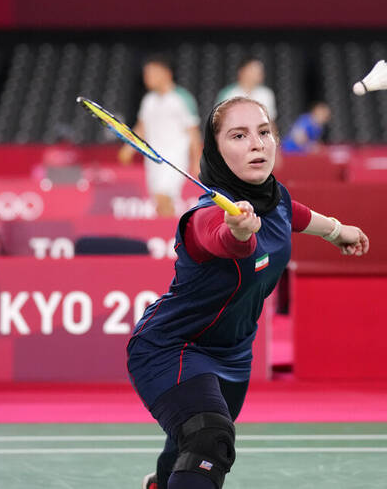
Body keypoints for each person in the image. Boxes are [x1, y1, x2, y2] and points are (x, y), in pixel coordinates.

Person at [127, 97, 369, 489]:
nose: (257, 144)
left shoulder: (276, 198)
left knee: (191, 440)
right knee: (209, 438)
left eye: (264, 132)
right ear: (217, 150)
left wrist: (337, 231)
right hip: (172, 347)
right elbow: (221, 239)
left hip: (234, 356)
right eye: (239, 136)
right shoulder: (204, 217)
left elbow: (295, 213)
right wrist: (237, 231)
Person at [120, 55, 202, 217]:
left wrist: (197, 160)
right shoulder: (148, 100)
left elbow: (193, 132)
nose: (147, 78)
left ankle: (176, 233)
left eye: (151, 73)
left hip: (174, 159)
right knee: (160, 205)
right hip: (152, 158)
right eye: (146, 74)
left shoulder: (182, 99)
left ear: (166, 73)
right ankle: (171, 230)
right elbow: (141, 128)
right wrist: (128, 148)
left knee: (164, 198)